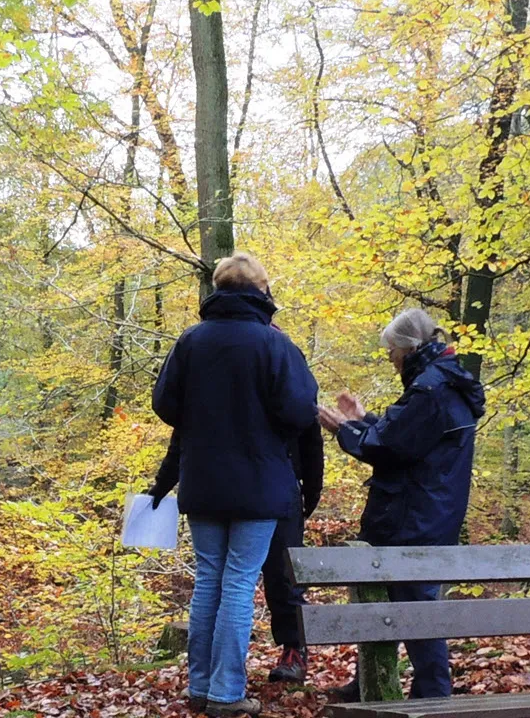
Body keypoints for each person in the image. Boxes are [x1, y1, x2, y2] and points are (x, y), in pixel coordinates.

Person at [148, 253, 319, 718]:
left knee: (208, 581)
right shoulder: (275, 345)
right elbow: (302, 412)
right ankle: (225, 693)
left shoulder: (191, 341)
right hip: (259, 485)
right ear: (261, 291)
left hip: (202, 480)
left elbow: (165, 404)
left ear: (219, 289)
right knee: (240, 584)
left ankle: (200, 687)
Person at [316, 308, 485, 702]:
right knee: (386, 603)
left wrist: (345, 429)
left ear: (408, 349)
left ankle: (433, 696)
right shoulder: (442, 382)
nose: (390, 360)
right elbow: (408, 436)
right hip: (430, 512)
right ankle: (370, 683)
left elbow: (389, 447)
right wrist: (364, 419)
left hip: (413, 517)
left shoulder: (430, 389)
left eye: (391, 351)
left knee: (416, 609)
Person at [262, 421, 324, 685]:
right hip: (240, 482)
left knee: (284, 574)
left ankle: (294, 651)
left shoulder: (294, 385)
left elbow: (311, 442)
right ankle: (220, 663)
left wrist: (309, 494)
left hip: (283, 487)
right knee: (224, 579)